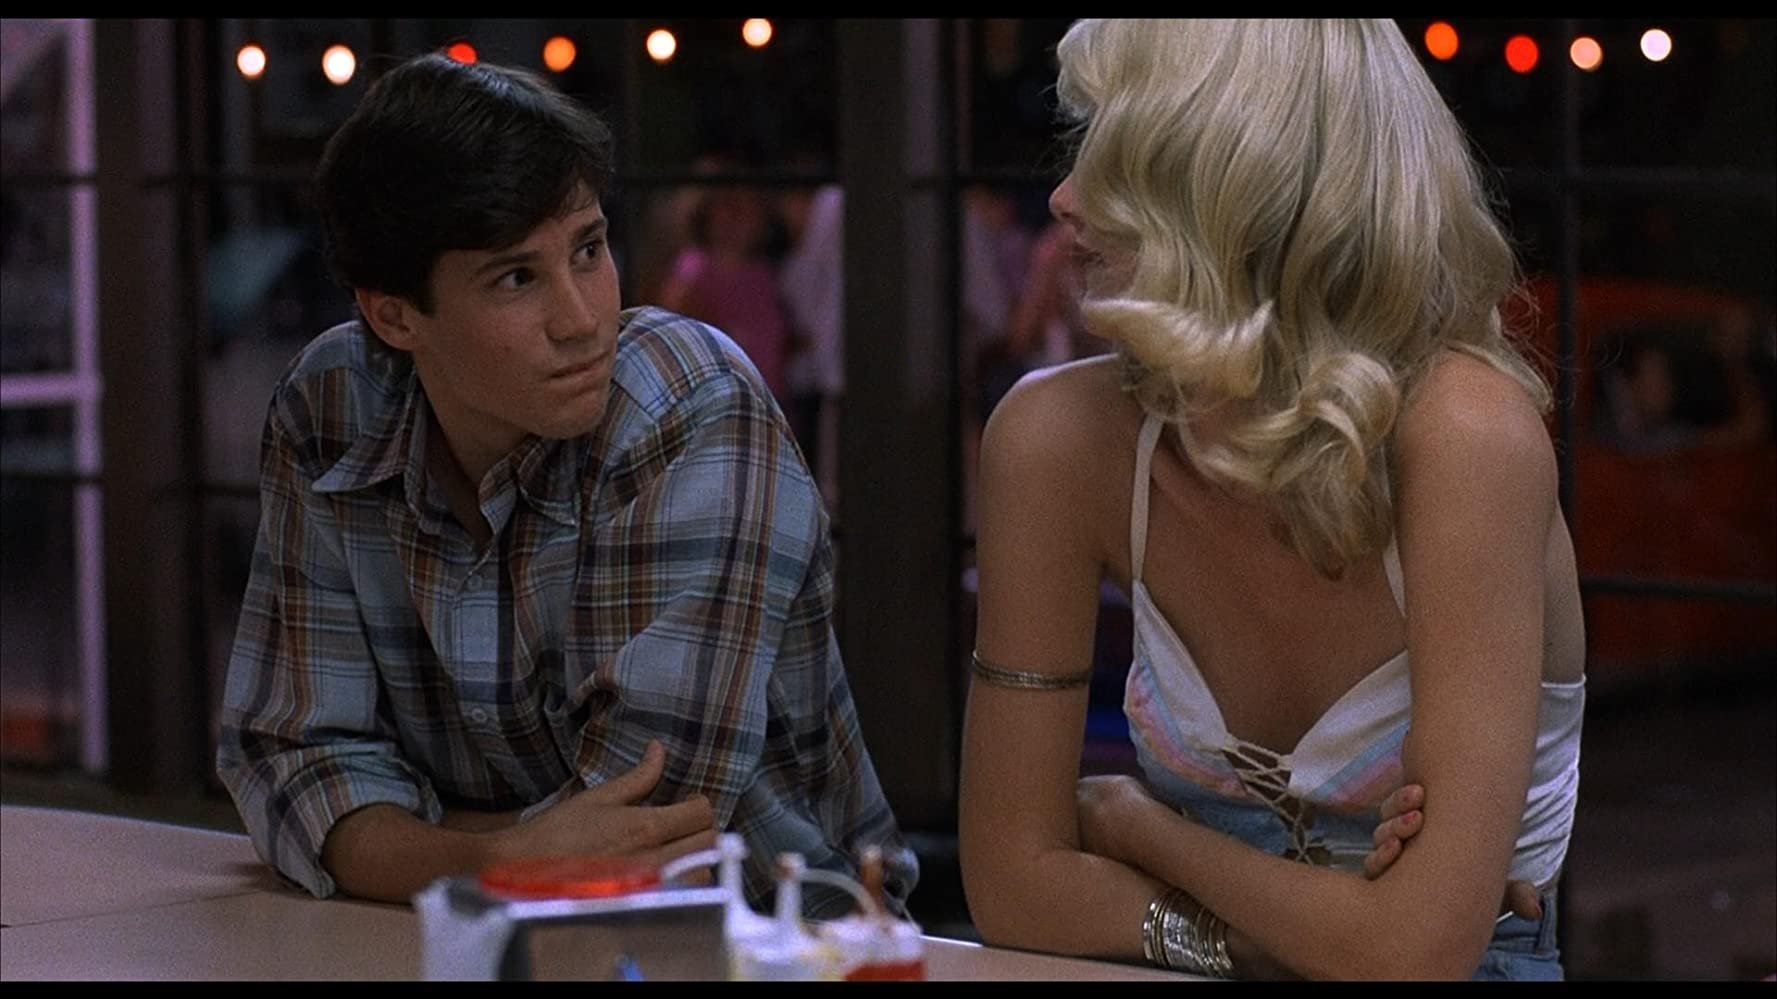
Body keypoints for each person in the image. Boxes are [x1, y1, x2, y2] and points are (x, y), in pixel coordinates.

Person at [214, 52, 915, 919]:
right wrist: (498, 856)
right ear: (393, 315)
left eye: (588, 249)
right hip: (445, 936)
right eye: (517, 277)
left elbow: (644, 834)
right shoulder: (332, 407)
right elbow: (292, 764)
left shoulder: (688, 405)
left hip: (785, 943)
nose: (582, 320)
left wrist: (406, 834)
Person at [959, 19, 1582, 980]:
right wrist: (1309, 933)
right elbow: (1012, 888)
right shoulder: (1054, 438)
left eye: (1116, 155)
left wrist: (1143, 829)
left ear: (1241, 184)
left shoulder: (1465, 437)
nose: (1064, 197)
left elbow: (1416, 953)